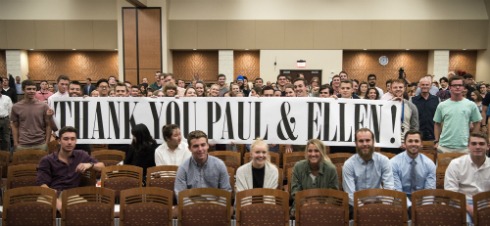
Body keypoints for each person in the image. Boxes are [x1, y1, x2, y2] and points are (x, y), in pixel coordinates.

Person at [37, 126, 104, 210]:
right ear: (59, 141)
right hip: (51, 194)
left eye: (72, 139)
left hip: (72, 195)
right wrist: (57, 202)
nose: (69, 142)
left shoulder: (81, 155)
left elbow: (102, 166)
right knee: (41, 210)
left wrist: (90, 164)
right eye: (66, 139)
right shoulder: (47, 160)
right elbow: (42, 186)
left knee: (86, 211)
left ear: (76, 141)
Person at [343, 128, 394, 217]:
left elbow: (389, 189)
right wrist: (365, 210)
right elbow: (350, 195)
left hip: (379, 203)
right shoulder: (348, 165)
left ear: (373, 142)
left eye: (367, 140)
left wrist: (383, 207)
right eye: (361, 141)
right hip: (356, 205)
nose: (365, 144)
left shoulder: (384, 161)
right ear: (356, 143)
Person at [445, 133, 490, 224]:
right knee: (465, 222)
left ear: (488, 147)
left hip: (486, 203)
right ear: (468, 146)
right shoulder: (456, 164)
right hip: (462, 202)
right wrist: (470, 209)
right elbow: (451, 193)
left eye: (481, 144)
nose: (477, 147)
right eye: (474, 144)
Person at [174, 130, 232, 199]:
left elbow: (226, 192)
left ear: (208, 145)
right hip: (191, 207)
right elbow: (180, 196)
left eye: (203, 145)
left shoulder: (219, 165)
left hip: (215, 206)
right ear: (189, 148)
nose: (200, 149)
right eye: (196, 146)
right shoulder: (183, 168)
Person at [390, 130, 436, 215]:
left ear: (421, 144)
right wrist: (410, 206)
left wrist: (423, 208)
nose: (413, 144)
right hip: (400, 199)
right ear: (404, 144)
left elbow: (429, 192)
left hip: (422, 200)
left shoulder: (429, 164)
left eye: (416, 141)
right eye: (410, 141)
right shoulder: (394, 163)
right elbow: (397, 191)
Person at [434, 76, 482, 153]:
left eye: (460, 85)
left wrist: (473, 139)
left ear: (463, 88)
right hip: (444, 146)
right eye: (454, 85)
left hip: (464, 147)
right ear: (450, 87)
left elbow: (477, 122)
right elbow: (437, 124)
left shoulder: (471, 105)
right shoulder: (442, 105)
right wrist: (436, 141)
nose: (457, 87)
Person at [10, 80, 51, 151]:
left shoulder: (44, 106)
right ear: (23, 90)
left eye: (34, 89)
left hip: (40, 144)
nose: (32, 91)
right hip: (22, 144)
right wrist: (16, 143)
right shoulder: (16, 107)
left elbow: (48, 125)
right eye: (29, 89)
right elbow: (14, 126)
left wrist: (47, 142)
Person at [411, 76, 439, 141]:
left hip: (433, 136)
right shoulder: (413, 100)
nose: (425, 86)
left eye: (427, 85)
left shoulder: (436, 100)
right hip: (417, 136)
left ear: (430, 86)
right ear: (419, 86)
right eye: (423, 85)